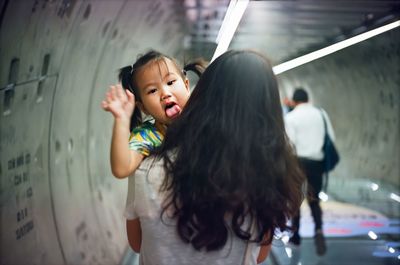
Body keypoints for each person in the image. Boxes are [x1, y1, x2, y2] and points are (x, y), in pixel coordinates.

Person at [125, 50, 305, 264]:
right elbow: (260, 255)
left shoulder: (146, 167)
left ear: (200, 94)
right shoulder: (267, 178)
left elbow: (137, 242)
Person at [101, 50, 206, 179]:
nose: (165, 93)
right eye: (152, 90)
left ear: (186, 86)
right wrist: (121, 119)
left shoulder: (204, 114)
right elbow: (121, 169)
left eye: (170, 82)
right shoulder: (150, 135)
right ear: (143, 107)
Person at [284, 87, 336, 256]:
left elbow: (289, 144)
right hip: (316, 163)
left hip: (298, 163)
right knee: (314, 200)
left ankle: (296, 235)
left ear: (294, 100)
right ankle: (319, 231)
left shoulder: (291, 117)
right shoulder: (321, 114)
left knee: (296, 199)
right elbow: (331, 139)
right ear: (308, 99)